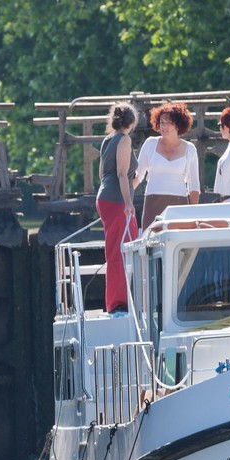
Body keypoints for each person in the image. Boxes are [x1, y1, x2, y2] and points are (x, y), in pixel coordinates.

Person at [95, 103, 138, 315]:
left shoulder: (107, 140)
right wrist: (128, 202)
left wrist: (133, 184)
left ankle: (122, 299)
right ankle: (117, 302)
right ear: (131, 122)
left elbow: (102, 174)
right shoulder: (124, 139)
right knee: (120, 250)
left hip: (105, 197)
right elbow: (121, 174)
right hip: (117, 200)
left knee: (121, 248)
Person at [133, 101, 201, 229]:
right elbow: (137, 176)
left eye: (168, 123)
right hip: (153, 203)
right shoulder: (150, 144)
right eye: (162, 122)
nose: (164, 126)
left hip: (179, 205)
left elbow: (194, 187)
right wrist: (123, 198)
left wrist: (193, 215)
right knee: (150, 239)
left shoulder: (190, 149)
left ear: (178, 125)